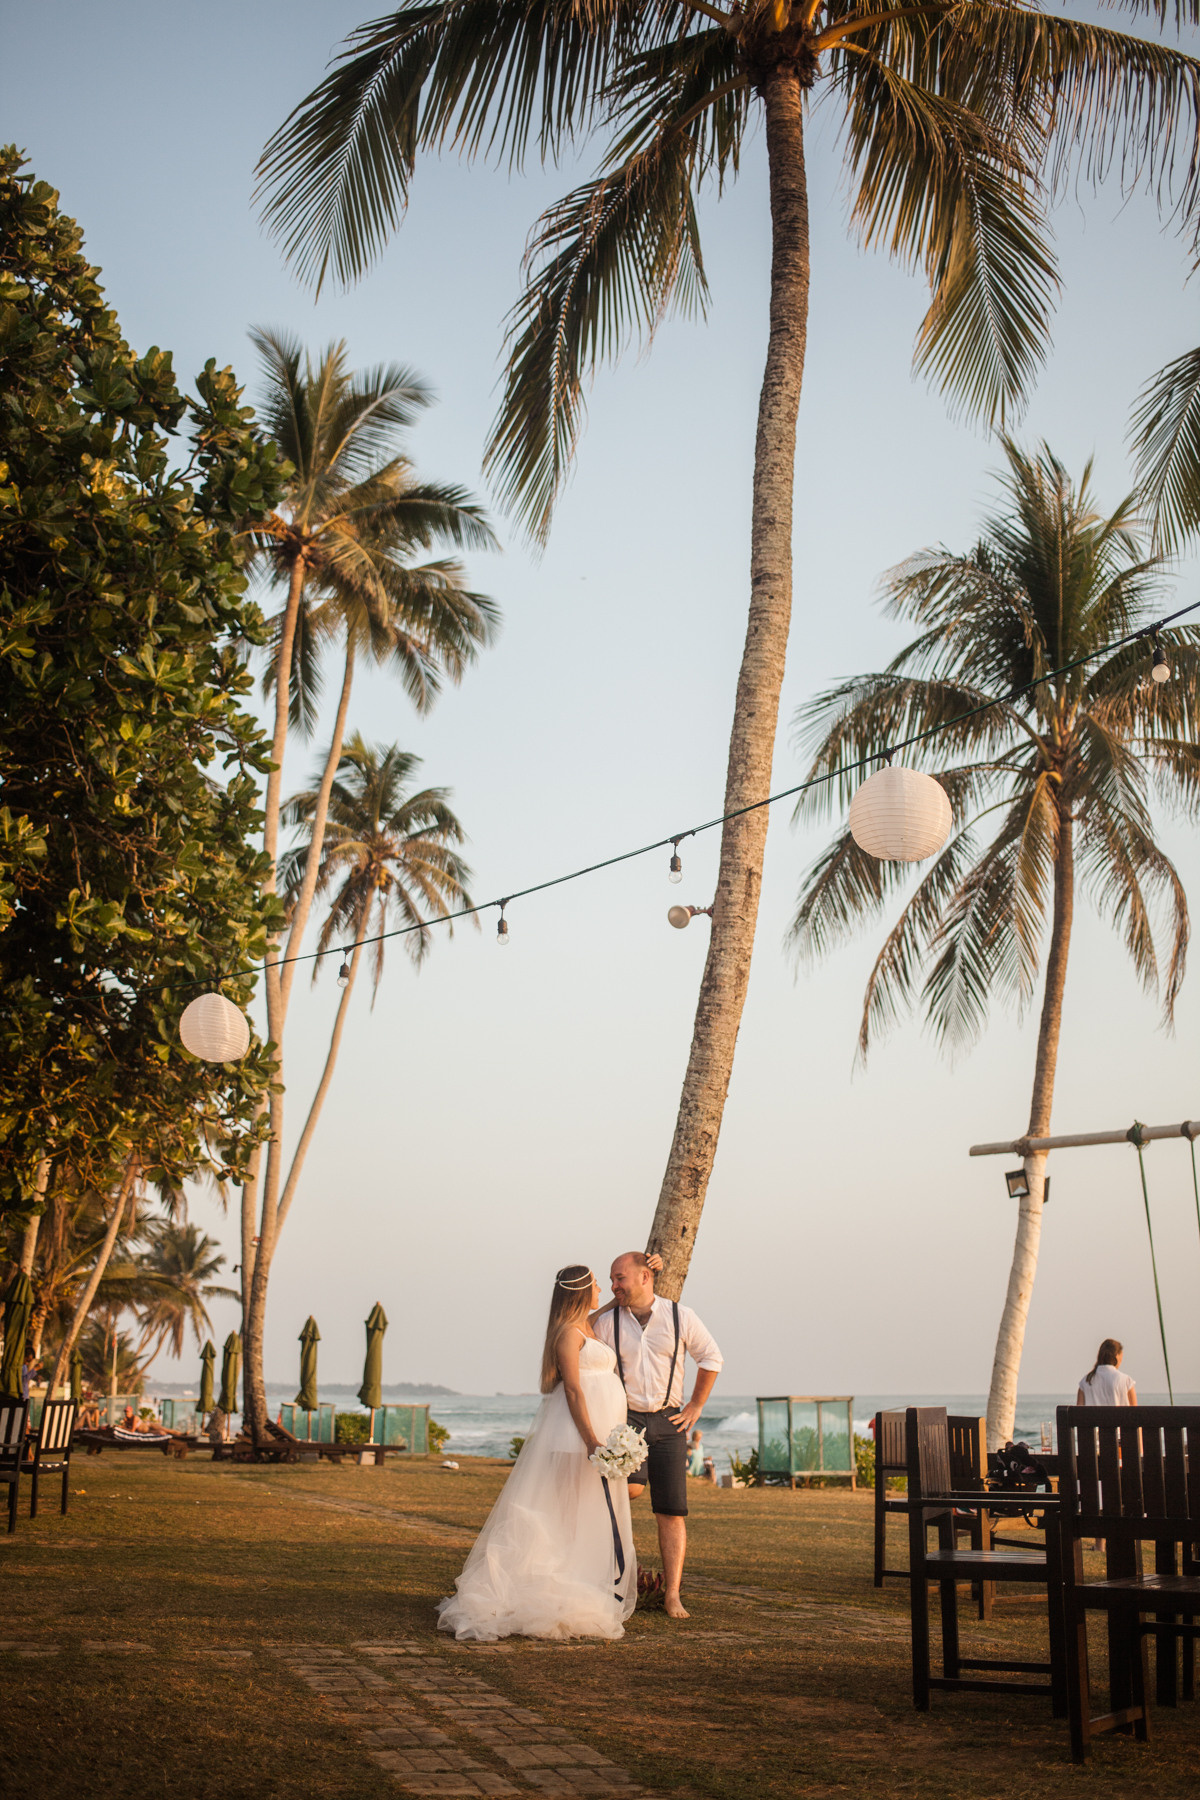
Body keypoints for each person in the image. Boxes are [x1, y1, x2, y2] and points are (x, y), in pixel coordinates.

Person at [436, 1264, 636, 1642]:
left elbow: (599, 1311)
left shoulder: (587, 1324)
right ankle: (547, 1585)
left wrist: (617, 1297)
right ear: (580, 1291)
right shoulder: (567, 1334)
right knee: (565, 1511)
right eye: (596, 1284)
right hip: (575, 1435)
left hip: (596, 1434)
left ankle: (576, 1581)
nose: (601, 1289)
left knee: (582, 1513)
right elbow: (574, 1391)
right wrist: (593, 1439)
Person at [592, 1252, 723, 1621]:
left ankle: (672, 1594)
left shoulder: (682, 1317)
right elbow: (577, 1328)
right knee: (628, 1491)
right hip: (627, 1420)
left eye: (620, 1278)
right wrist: (614, 1298)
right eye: (612, 1280)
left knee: (671, 1511)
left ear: (645, 1277)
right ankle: (613, 1577)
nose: (615, 1285)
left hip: (669, 1422)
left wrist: (696, 1405)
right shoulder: (607, 1323)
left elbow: (712, 1358)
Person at [1076, 1338, 1137, 1407]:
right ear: (1117, 1356)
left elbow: (1078, 1413)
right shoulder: (1126, 1381)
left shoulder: (1085, 1382)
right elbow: (1135, 1414)